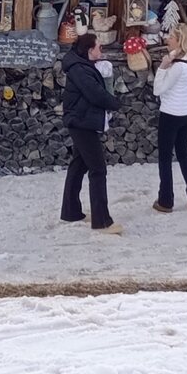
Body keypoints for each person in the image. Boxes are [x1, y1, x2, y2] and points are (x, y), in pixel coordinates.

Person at [60, 35, 122, 234]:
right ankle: (102, 221)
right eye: (99, 47)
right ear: (89, 50)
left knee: (78, 166)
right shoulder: (79, 69)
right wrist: (115, 103)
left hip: (81, 120)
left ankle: (71, 212)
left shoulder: (81, 65)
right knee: (98, 170)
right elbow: (95, 94)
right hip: (81, 122)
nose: (101, 50)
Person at [151, 22, 187, 212]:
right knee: (183, 153)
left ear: (179, 41)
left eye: (171, 37)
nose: (167, 39)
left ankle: (166, 200)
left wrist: (162, 67)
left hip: (171, 113)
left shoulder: (177, 67)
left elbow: (158, 90)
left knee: (165, 157)